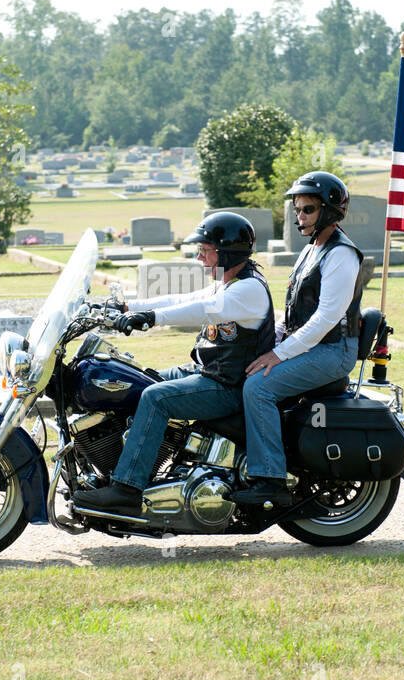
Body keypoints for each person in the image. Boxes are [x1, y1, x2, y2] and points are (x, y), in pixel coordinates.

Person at [73, 212, 275, 513]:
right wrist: (127, 306)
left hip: (227, 386)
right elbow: (182, 299)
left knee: (155, 398)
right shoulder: (228, 282)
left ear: (227, 251)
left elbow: (202, 309)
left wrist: (152, 319)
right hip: (208, 372)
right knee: (139, 378)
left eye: (205, 250)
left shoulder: (249, 289)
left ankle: (127, 488)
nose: (199, 256)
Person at [234, 171, 365, 507]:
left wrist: (278, 355)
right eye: (297, 210)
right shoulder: (312, 248)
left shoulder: (341, 254)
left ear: (329, 211)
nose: (300, 216)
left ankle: (270, 479)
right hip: (311, 344)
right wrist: (267, 344)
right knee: (243, 369)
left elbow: (325, 318)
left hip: (333, 350)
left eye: (307, 209)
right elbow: (293, 312)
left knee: (259, 387)